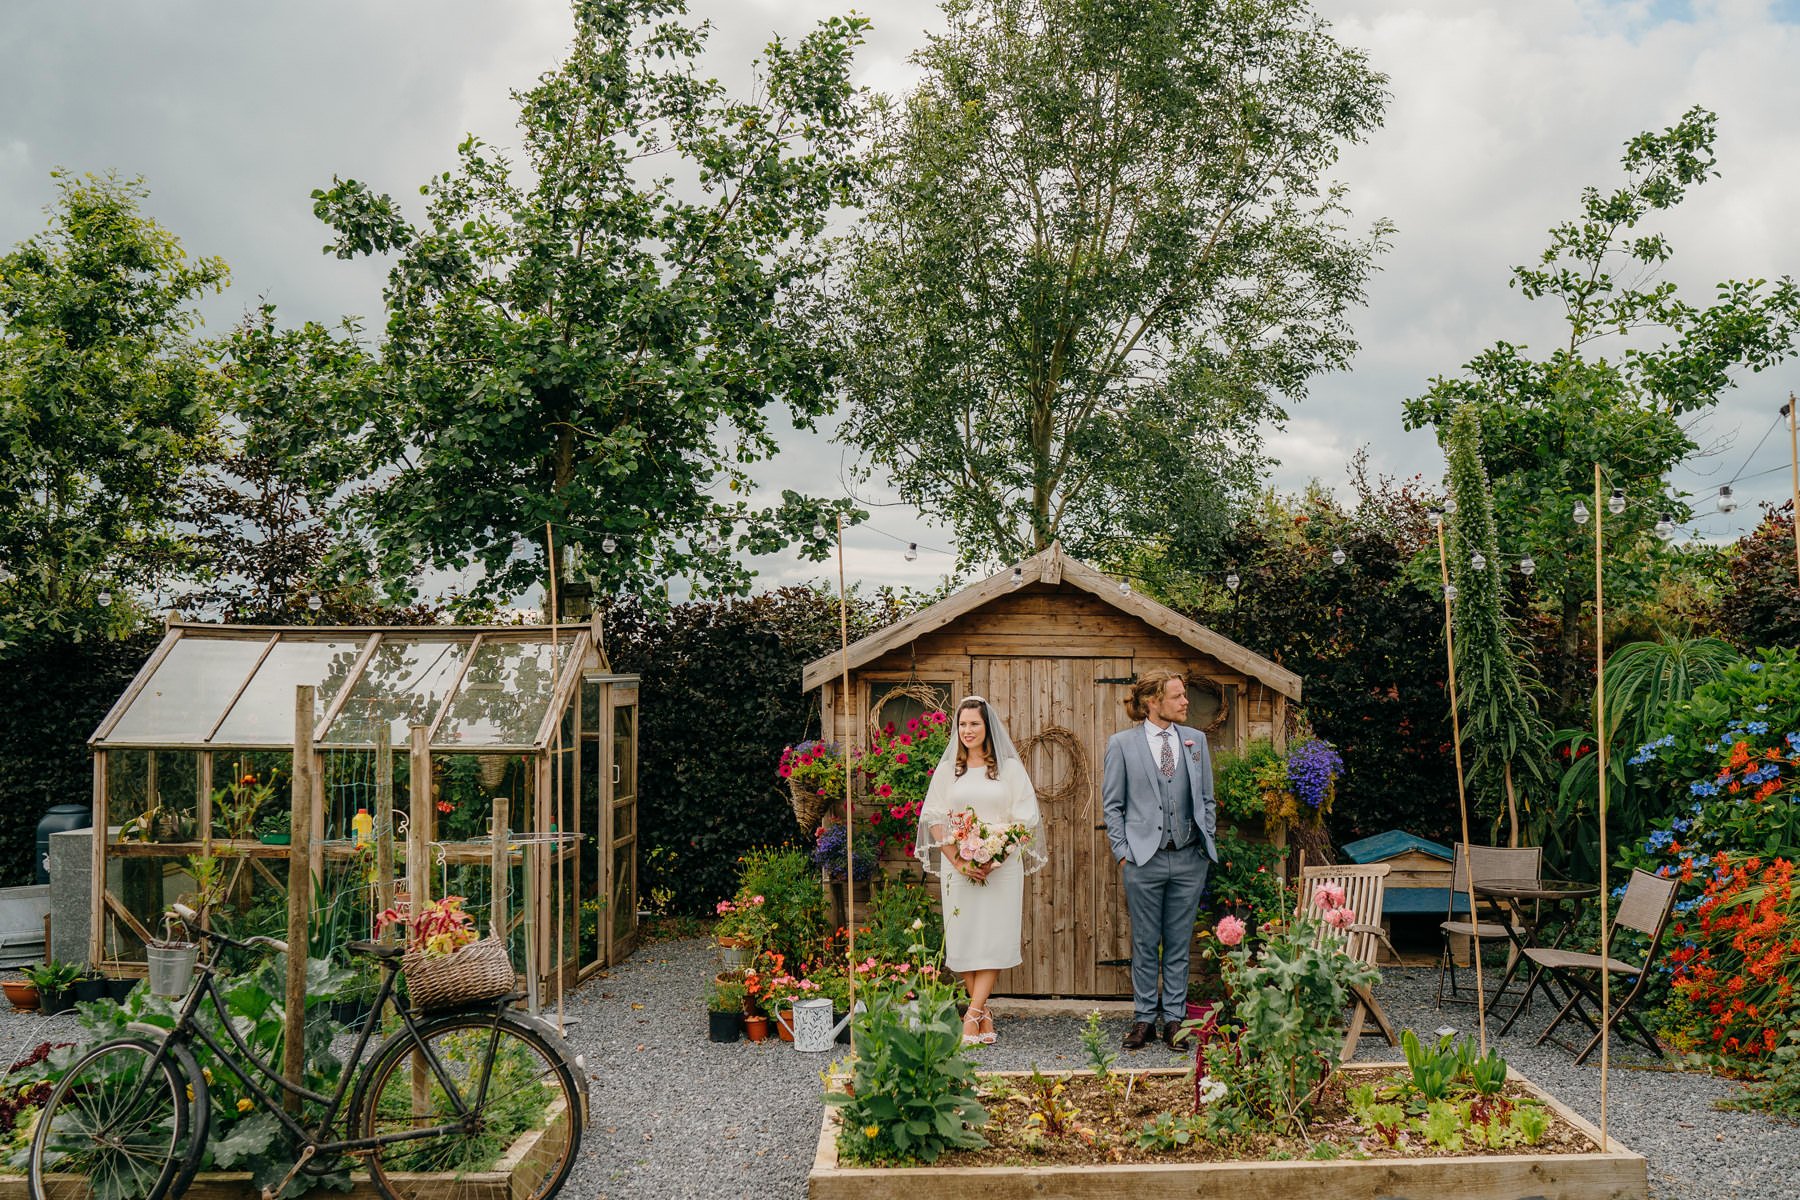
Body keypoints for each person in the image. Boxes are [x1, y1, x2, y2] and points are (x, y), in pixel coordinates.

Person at [914, 696, 1044, 1045]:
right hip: (959, 869)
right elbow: (934, 817)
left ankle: (971, 1016)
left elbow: (1025, 817)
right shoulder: (948, 772)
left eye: (974, 724)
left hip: (1001, 869)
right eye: (962, 724)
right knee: (964, 938)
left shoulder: (1009, 769)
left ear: (988, 728)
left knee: (994, 937)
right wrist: (959, 860)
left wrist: (994, 856)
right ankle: (983, 1012)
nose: (967, 730)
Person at [1101, 670, 1218, 1050]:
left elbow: (1207, 800)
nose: (1186, 702)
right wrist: (1123, 854)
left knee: (1180, 943)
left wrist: (1205, 843)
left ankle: (1175, 1022)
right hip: (1142, 861)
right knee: (1146, 942)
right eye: (1178, 696)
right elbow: (1113, 806)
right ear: (1153, 701)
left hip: (1188, 859)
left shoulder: (1196, 741)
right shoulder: (1122, 744)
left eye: (1184, 695)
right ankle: (1143, 1020)